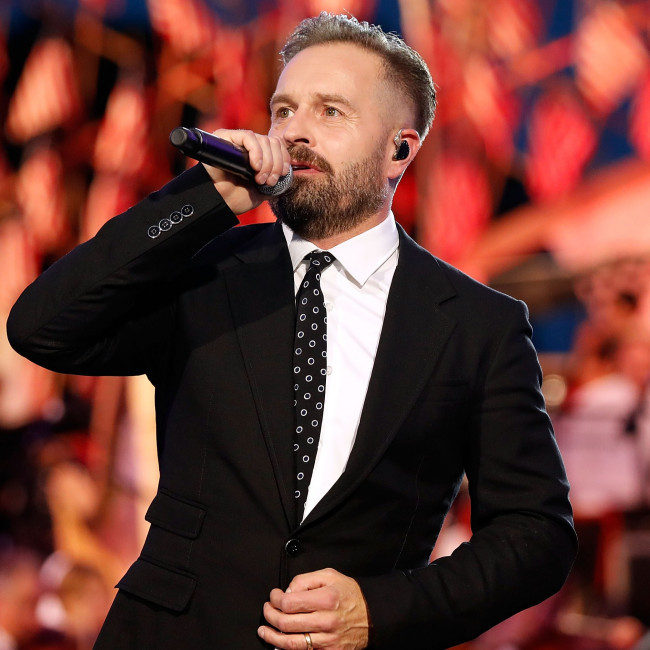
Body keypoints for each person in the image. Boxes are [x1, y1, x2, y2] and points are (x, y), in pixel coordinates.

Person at [6, 12, 577, 650]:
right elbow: (42, 328)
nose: (295, 131)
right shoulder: (204, 274)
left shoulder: (479, 326)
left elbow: (536, 534)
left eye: (330, 111)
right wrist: (200, 199)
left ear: (400, 149)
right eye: (284, 110)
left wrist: (383, 611)